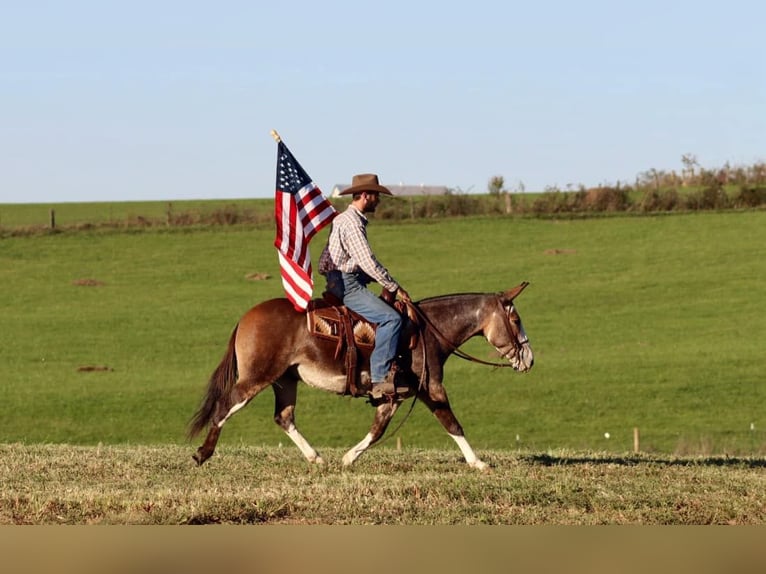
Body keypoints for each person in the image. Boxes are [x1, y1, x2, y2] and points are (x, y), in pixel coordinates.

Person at [318, 173, 411, 399]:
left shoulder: (342, 219)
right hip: (347, 285)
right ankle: (379, 379)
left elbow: (328, 262)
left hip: (339, 280)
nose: (378, 200)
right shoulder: (352, 223)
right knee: (392, 319)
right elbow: (367, 260)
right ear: (367, 196)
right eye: (376, 195)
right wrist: (395, 287)